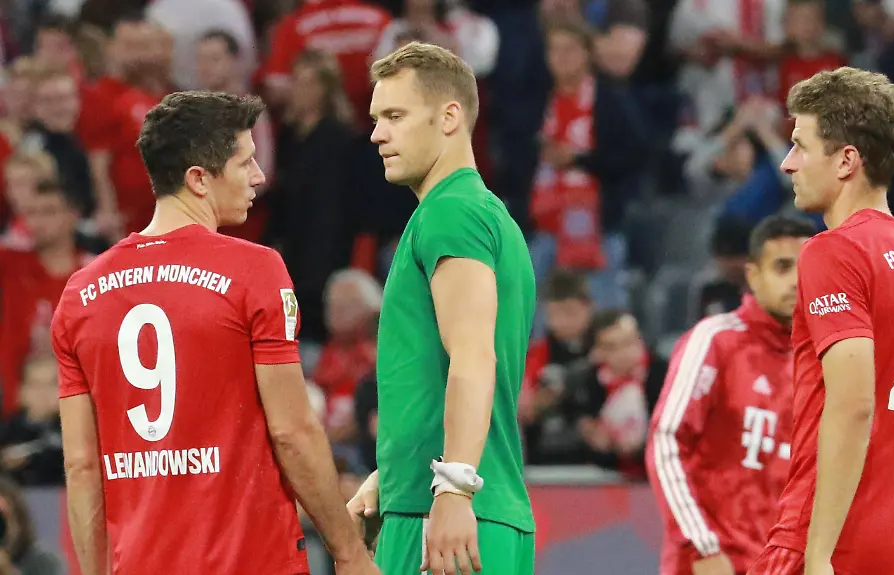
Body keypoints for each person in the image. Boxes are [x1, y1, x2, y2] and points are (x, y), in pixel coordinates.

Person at [52, 91, 376, 575]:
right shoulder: (255, 270)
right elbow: (292, 431)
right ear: (198, 179)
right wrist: (349, 554)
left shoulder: (80, 294)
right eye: (244, 163)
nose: (259, 176)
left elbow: (81, 465)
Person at [749, 67, 894, 575]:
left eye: (800, 145)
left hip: (839, 537)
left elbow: (852, 404)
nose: (787, 162)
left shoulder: (835, 250)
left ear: (846, 160)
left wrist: (818, 552)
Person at [346, 42, 536, 575]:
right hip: (451, 501)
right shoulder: (481, 213)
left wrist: (453, 486)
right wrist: (393, 476)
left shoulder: (451, 213)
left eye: (395, 116)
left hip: (448, 515)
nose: (377, 134)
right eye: (376, 118)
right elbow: (440, 370)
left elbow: (473, 356)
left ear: (449, 117)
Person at [647, 214, 817, 575]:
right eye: (782, 267)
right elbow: (667, 442)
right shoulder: (715, 341)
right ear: (752, 275)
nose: (796, 281)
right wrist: (701, 548)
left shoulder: (823, 362)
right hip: (714, 563)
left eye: (806, 269)